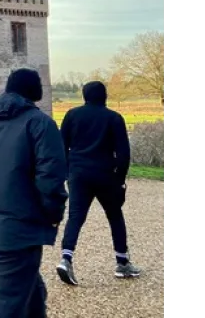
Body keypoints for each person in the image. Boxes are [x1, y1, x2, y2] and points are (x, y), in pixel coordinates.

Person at [0, 68, 68, 318]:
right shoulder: (41, 123)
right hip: (21, 226)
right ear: (35, 91)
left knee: (31, 291)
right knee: (7, 307)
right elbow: (50, 178)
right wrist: (54, 213)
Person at [56, 81, 142, 285]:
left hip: (78, 173)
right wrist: (120, 180)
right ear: (105, 96)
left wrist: (69, 170)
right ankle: (122, 262)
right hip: (105, 174)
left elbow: (61, 146)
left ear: (84, 96)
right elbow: (123, 154)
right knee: (114, 216)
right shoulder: (114, 118)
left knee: (75, 217)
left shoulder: (71, 115)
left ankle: (66, 258)